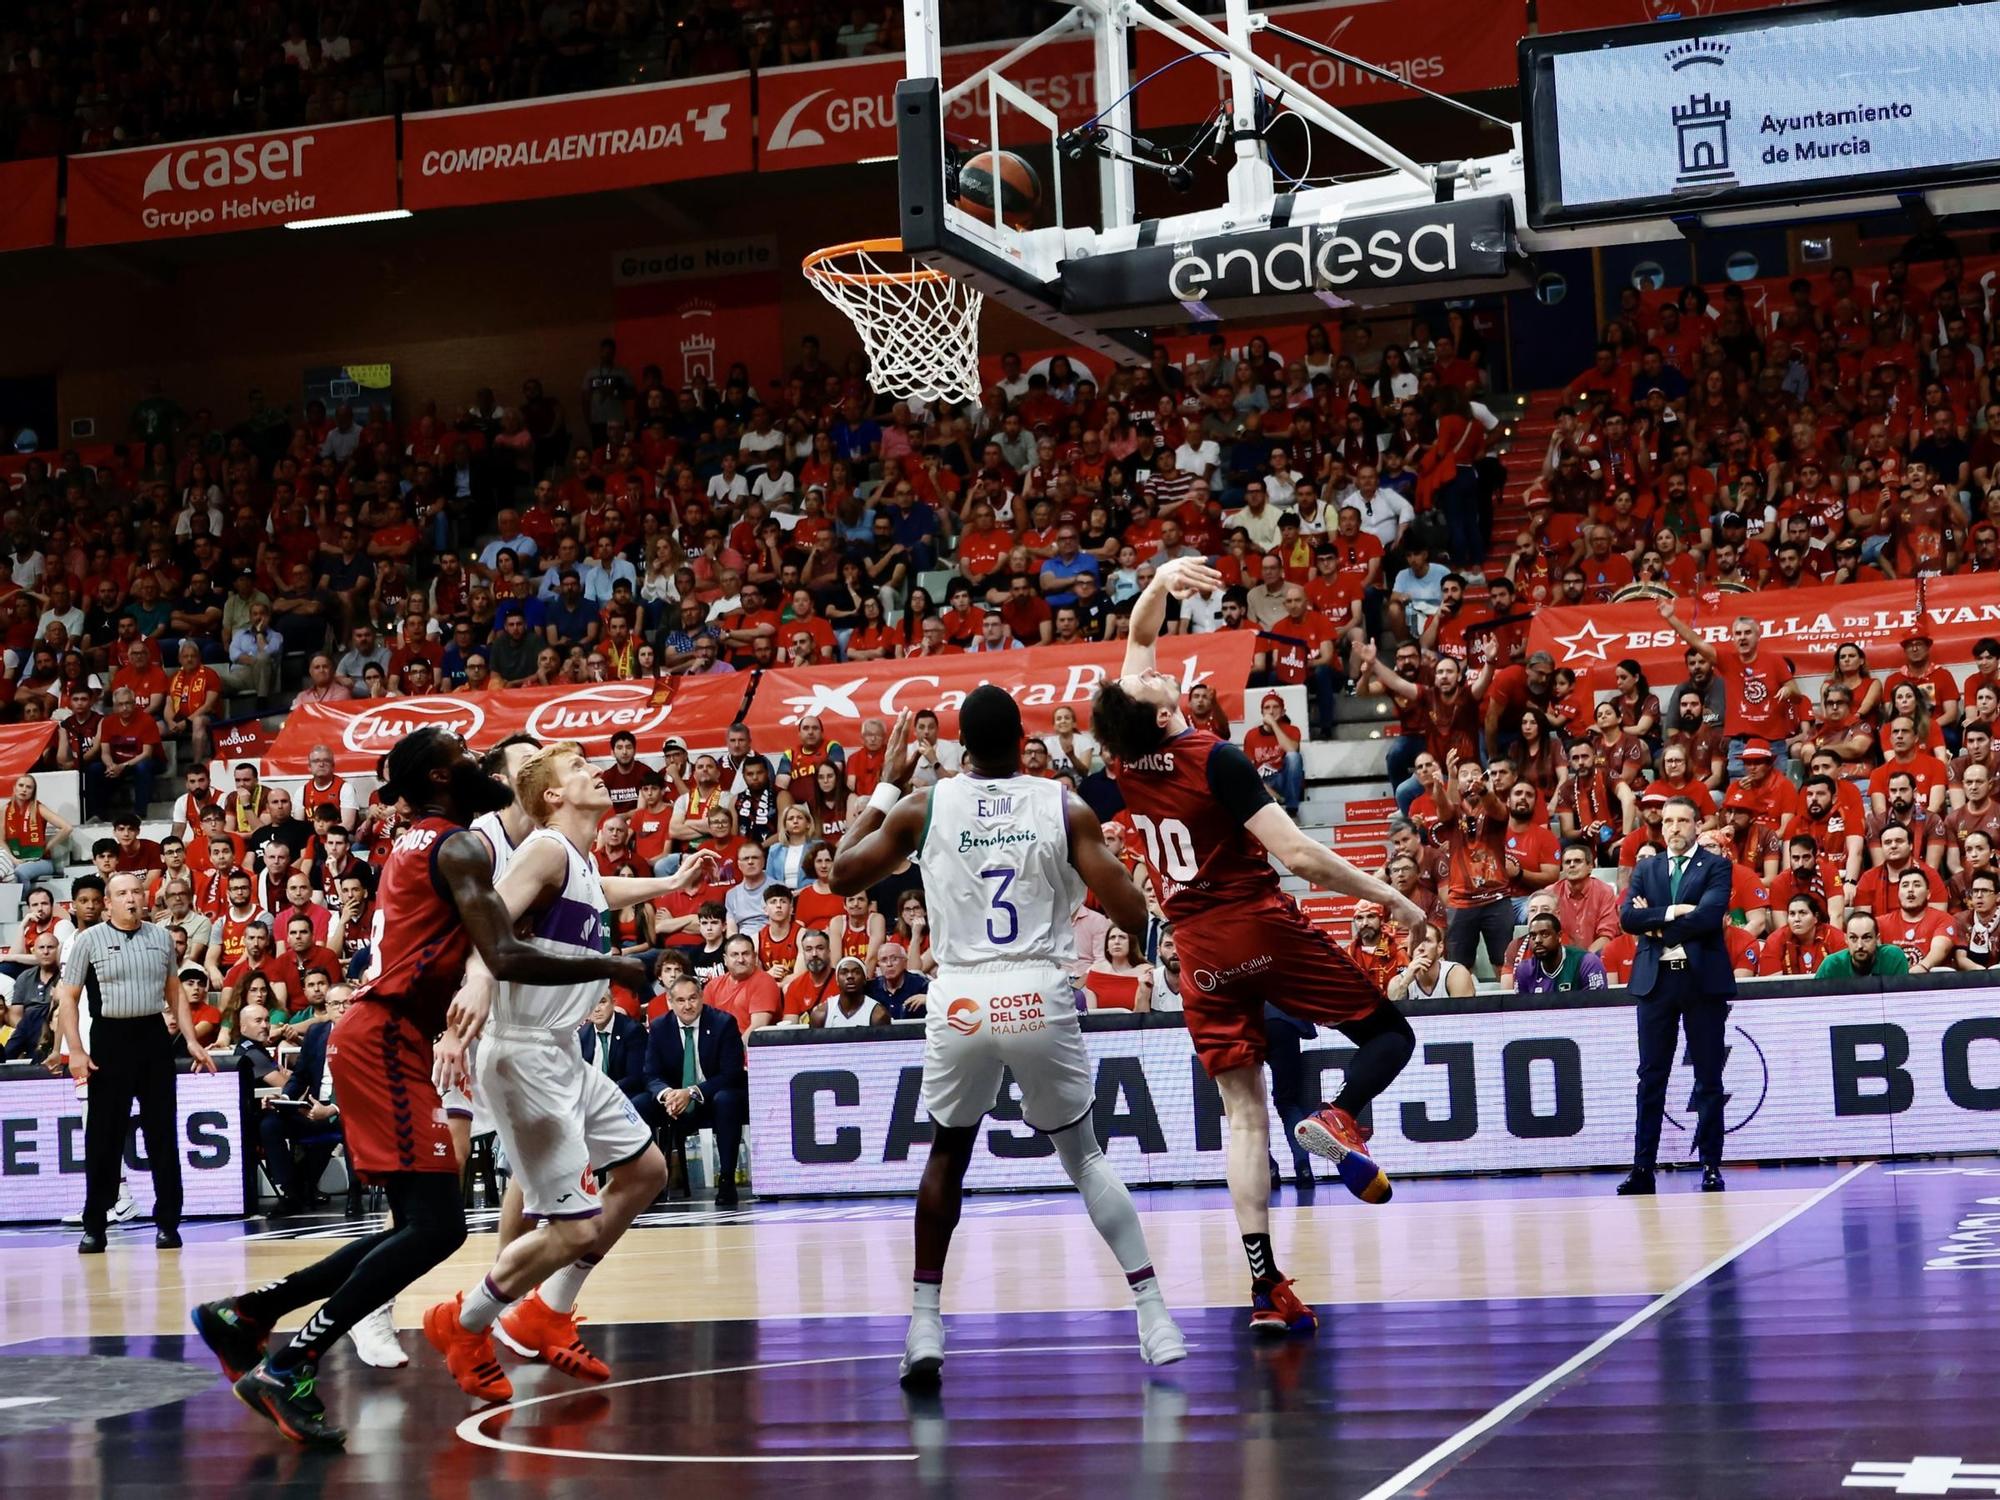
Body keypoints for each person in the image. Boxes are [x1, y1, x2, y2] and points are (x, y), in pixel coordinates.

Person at [190, 726, 656, 1449]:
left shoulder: (425, 841)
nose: (479, 768)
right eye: (466, 761)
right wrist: (616, 969)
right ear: (442, 777)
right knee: (435, 1227)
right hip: (387, 1036)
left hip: (390, 1034)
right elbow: (500, 951)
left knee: (425, 1224)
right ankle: (293, 1362)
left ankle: (250, 1313)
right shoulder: (460, 844)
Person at [1087, 557, 1425, 1337]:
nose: (1146, 672)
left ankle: (1264, 1286)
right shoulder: (1217, 759)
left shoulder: (1125, 753)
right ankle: (1340, 1116)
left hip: (1196, 950)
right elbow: (1301, 856)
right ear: (1164, 713)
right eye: (1147, 682)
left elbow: (1139, 635)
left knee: (1244, 1118)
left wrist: (1161, 580)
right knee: (1388, 1033)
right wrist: (1390, 895)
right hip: (1254, 922)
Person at [831, 691, 1188, 1387]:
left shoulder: (922, 806)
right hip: (1035, 989)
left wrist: (885, 782)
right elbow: (1130, 908)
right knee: (1083, 1157)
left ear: (959, 745)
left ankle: (926, 1324)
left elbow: (842, 871)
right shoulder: (1062, 804)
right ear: (1022, 738)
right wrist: (1072, 881)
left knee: (947, 1155)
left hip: (961, 993)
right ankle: (1153, 1313)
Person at [425, 742, 718, 1400]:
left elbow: (602, 892)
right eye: (580, 769)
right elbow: (487, 917)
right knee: (573, 1227)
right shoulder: (548, 850)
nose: (596, 772)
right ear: (554, 796)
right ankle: (463, 1322)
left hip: (561, 1049)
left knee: (645, 1172)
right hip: (523, 1051)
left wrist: (670, 885)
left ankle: (545, 1313)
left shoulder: (578, 862)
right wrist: (475, 981)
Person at [54, 872, 215, 1254]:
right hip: (110, 1040)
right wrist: (76, 1050)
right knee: (103, 1138)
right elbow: (68, 1000)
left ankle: (168, 1223)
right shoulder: (88, 941)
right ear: (108, 902)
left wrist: (191, 1040)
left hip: (154, 1039)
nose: (131, 898)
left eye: (136, 892)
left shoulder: (160, 936)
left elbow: (174, 992)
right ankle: (95, 1223)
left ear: (146, 897)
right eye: (122, 893)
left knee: (162, 1133)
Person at [1618, 796, 1735, 1197]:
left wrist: (1655, 924)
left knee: (1708, 1078)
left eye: (1683, 820)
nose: (1674, 828)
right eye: (1668, 821)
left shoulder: (1717, 865)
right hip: (1656, 982)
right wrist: (1673, 912)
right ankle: (1643, 1168)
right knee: (1651, 1077)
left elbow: (1709, 914)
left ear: (1697, 825)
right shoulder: (1646, 867)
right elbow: (1627, 918)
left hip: (1702, 982)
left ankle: (1711, 1165)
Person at [645, 975, 751, 1203]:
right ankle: (648, 1184)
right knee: (641, 1105)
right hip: (675, 1101)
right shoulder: (659, 1027)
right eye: (680, 1000)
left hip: (713, 1098)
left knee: (727, 1100)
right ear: (670, 1002)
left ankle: (726, 1180)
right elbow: (651, 1074)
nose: (687, 1006)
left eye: (693, 998)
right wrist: (667, 1095)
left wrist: (691, 1092)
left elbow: (731, 1073)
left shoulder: (723, 1023)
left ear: (702, 997)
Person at [1511, 910, 1609, 994]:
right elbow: (1522, 1013)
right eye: (1533, 936)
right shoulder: (1524, 970)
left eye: (1545, 934)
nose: (1537, 940)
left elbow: (1596, 1007)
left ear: (1559, 936)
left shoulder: (1587, 962)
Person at [1816, 909, 1911, 978]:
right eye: (1853, 938)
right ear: (1846, 939)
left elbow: (1902, 1000)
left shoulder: (1893, 958)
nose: (1860, 945)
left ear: (1877, 939)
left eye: (1867, 938)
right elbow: (1815, 1002)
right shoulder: (1831, 965)